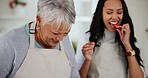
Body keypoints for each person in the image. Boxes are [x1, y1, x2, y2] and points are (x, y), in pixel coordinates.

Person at [0, 0, 80, 78]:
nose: (60, 38)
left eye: (66, 33)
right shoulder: (11, 41)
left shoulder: (65, 41)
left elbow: (74, 76)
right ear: (39, 20)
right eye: (55, 33)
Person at [75, 0, 146, 78]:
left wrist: (127, 45)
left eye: (119, 12)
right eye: (109, 12)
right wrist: (87, 60)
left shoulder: (130, 40)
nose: (115, 17)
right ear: (101, 13)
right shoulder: (87, 39)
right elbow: (77, 76)